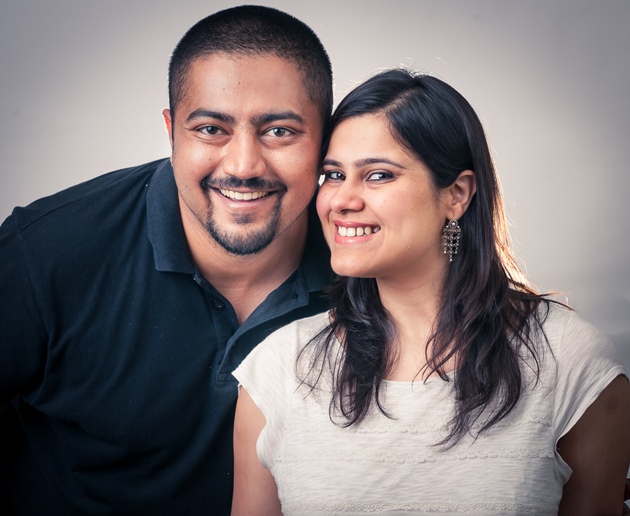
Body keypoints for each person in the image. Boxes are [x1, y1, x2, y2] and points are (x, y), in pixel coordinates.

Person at [232, 68, 630, 514]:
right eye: (334, 174)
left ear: (457, 194)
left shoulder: (571, 361)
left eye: (378, 175)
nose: (342, 200)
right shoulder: (278, 370)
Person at [0, 5, 333, 515]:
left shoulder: (371, 265)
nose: (244, 165)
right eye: (211, 129)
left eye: (279, 131)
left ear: (325, 139)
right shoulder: (47, 250)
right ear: (171, 130)